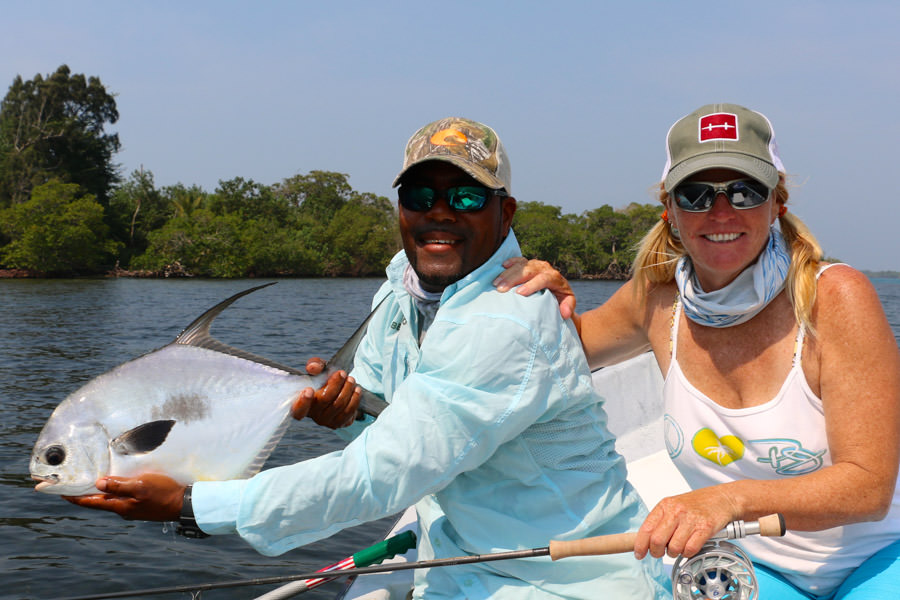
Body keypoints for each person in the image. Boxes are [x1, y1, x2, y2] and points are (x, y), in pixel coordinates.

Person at [67, 117, 668, 599]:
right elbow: (381, 401)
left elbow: (380, 475)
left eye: (465, 195)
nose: (439, 211)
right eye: (419, 194)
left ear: (504, 213)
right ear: (400, 206)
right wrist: (344, 406)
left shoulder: (508, 316)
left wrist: (192, 504)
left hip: (564, 578)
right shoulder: (399, 294)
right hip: (457, 558)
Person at [494, 103, 900, 599]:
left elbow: (868, 488)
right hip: (751, 564)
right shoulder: (655, 300)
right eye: (697, 195)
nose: (722, 212)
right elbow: (556, 351)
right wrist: (543, 293)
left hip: (879, 556)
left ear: (778, 203)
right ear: (670, 209)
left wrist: (725, 501)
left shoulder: (836, 296)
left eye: (745, 191)